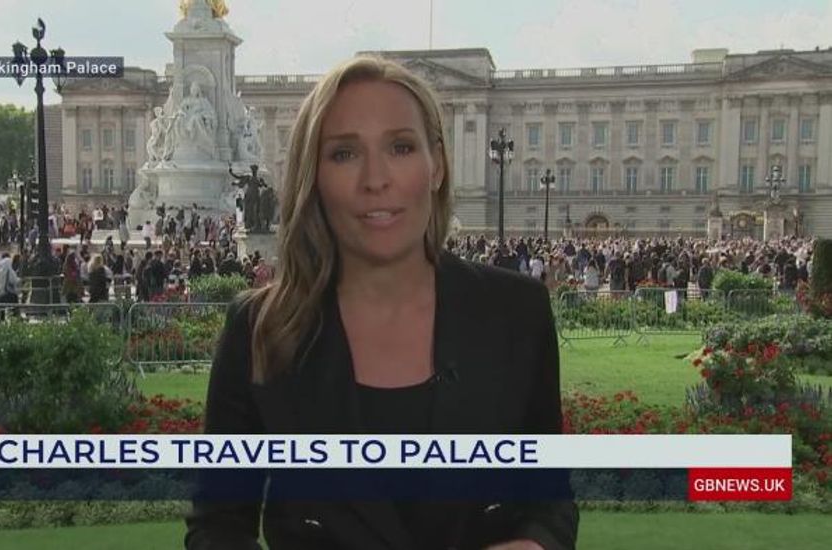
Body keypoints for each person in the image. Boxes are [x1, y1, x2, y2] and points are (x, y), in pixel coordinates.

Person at [185, 56, 577, 550]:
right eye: (345, 154)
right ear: (315, 177)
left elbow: (550, 499)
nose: (376, 178)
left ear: (436, 166)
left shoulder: (517, 313)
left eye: (400, 147)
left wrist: (536, 544)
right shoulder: (259, 328)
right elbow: (217, 526)